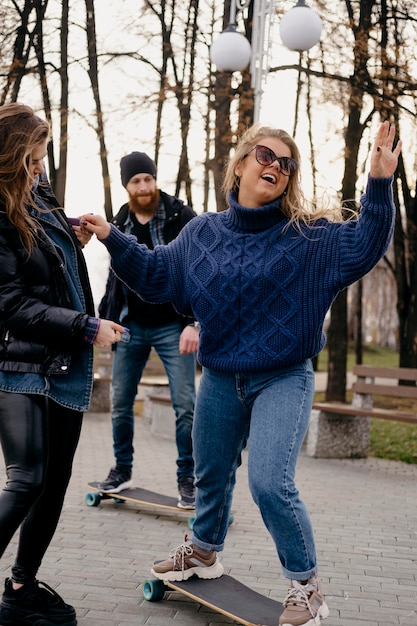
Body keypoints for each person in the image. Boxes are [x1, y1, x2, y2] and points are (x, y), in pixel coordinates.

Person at [82, 120, 402, 626]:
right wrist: (109, 236)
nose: (275, 166)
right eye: (266, 156)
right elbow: (155, 275)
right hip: (221, 376)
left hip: (283, 376)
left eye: (286, 163)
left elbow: (363, 244)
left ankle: (307, 588)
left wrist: (379, 183)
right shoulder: (203, 233)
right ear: (241, 164)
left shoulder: (307, 237)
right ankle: (205, 551)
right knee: (209, 475)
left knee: (270, 482)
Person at [0, 102, 126, 626]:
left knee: (53, 483)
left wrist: (69, 240)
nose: (42, 163)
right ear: (14, 153)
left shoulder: (40, 196)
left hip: (61, 366)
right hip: (17, 364)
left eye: (44, 154)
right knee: (27, 479)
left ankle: (22, 588)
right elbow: (9, 303)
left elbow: (43, 271)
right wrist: (86, 326)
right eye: (36, 153)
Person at [97, 151, 199, 508]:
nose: (143, 186)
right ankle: (121, 470)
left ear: (156, 180)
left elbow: (201, 269)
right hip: (130, 324)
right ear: (127, 185)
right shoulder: (119, 223)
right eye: (136, 181)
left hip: (174, 324)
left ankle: (188, 479)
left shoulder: (181, 216)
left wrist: (194, 322)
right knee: (120, 402)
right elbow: (115, 278)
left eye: (148, 179)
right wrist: (103, 317)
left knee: (185, 405)